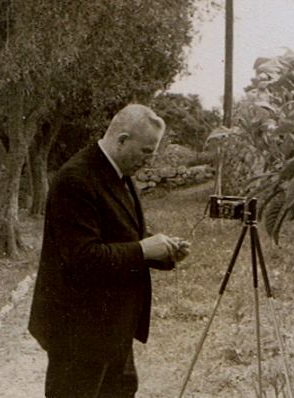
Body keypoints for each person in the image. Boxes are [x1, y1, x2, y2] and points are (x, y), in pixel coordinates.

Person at [28, 103, 190, 397]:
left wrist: (162, 251)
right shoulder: (75, 180)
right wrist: (143, 250)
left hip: (113, 328)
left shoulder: (119, 174)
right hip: (78, 333)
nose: (148, 161)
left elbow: (123, 234)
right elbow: (82, 258)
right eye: (146, 152)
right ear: (122, 140)